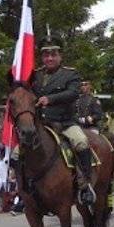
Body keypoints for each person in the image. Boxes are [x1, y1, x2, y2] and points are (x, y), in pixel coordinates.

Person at [29, 36, 95, 205]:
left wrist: (49, 99)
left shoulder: (70, 74)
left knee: (81, 142)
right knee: (16, 151)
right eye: (46, 55)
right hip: (41, 125)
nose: (49, 58)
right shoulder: (35, 75)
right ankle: (23, 190)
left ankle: (85, 185)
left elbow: (73, 93)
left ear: (60, 56)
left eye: (53, 54)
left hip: (64, 123)